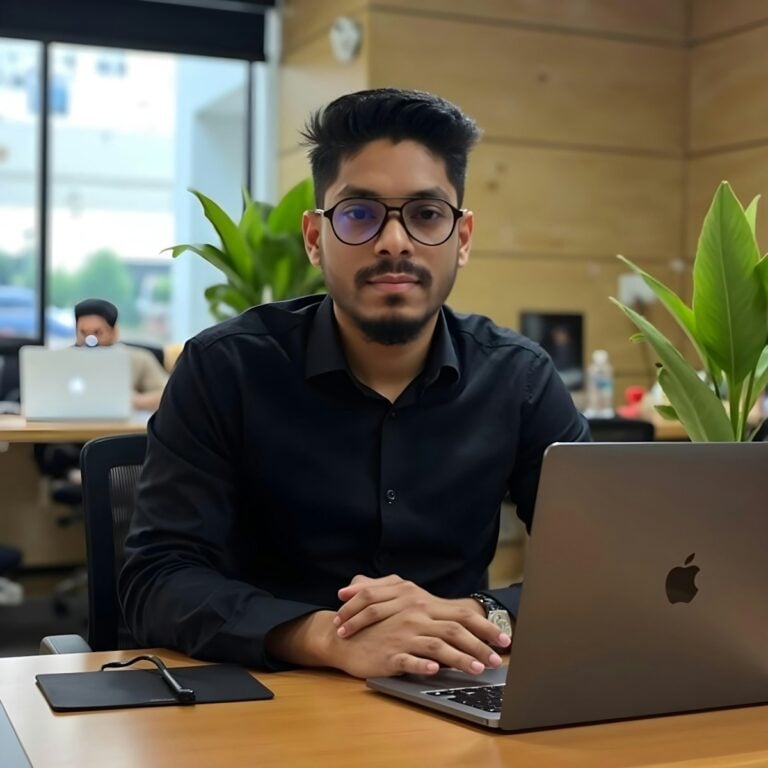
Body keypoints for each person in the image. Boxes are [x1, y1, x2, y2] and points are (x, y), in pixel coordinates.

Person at [120, 88, 589, 679]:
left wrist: (476, 615)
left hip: (457, 690)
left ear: (461, 238)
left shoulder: (517, 377)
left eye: (426, 215)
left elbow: (595, 559)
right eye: (360, 214)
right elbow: (156, 577)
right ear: (316, 237)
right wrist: (323, 635)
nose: (395, 242)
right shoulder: (225, 369)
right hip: (270, 698)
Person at [74, 298, 168, 412]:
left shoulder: (140, 359)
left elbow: (166, 396)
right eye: (83, 333)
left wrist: (131, 400)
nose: (90, 340)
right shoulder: (62, 360)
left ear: (114, 332)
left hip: (121, 427)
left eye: (97, 333)